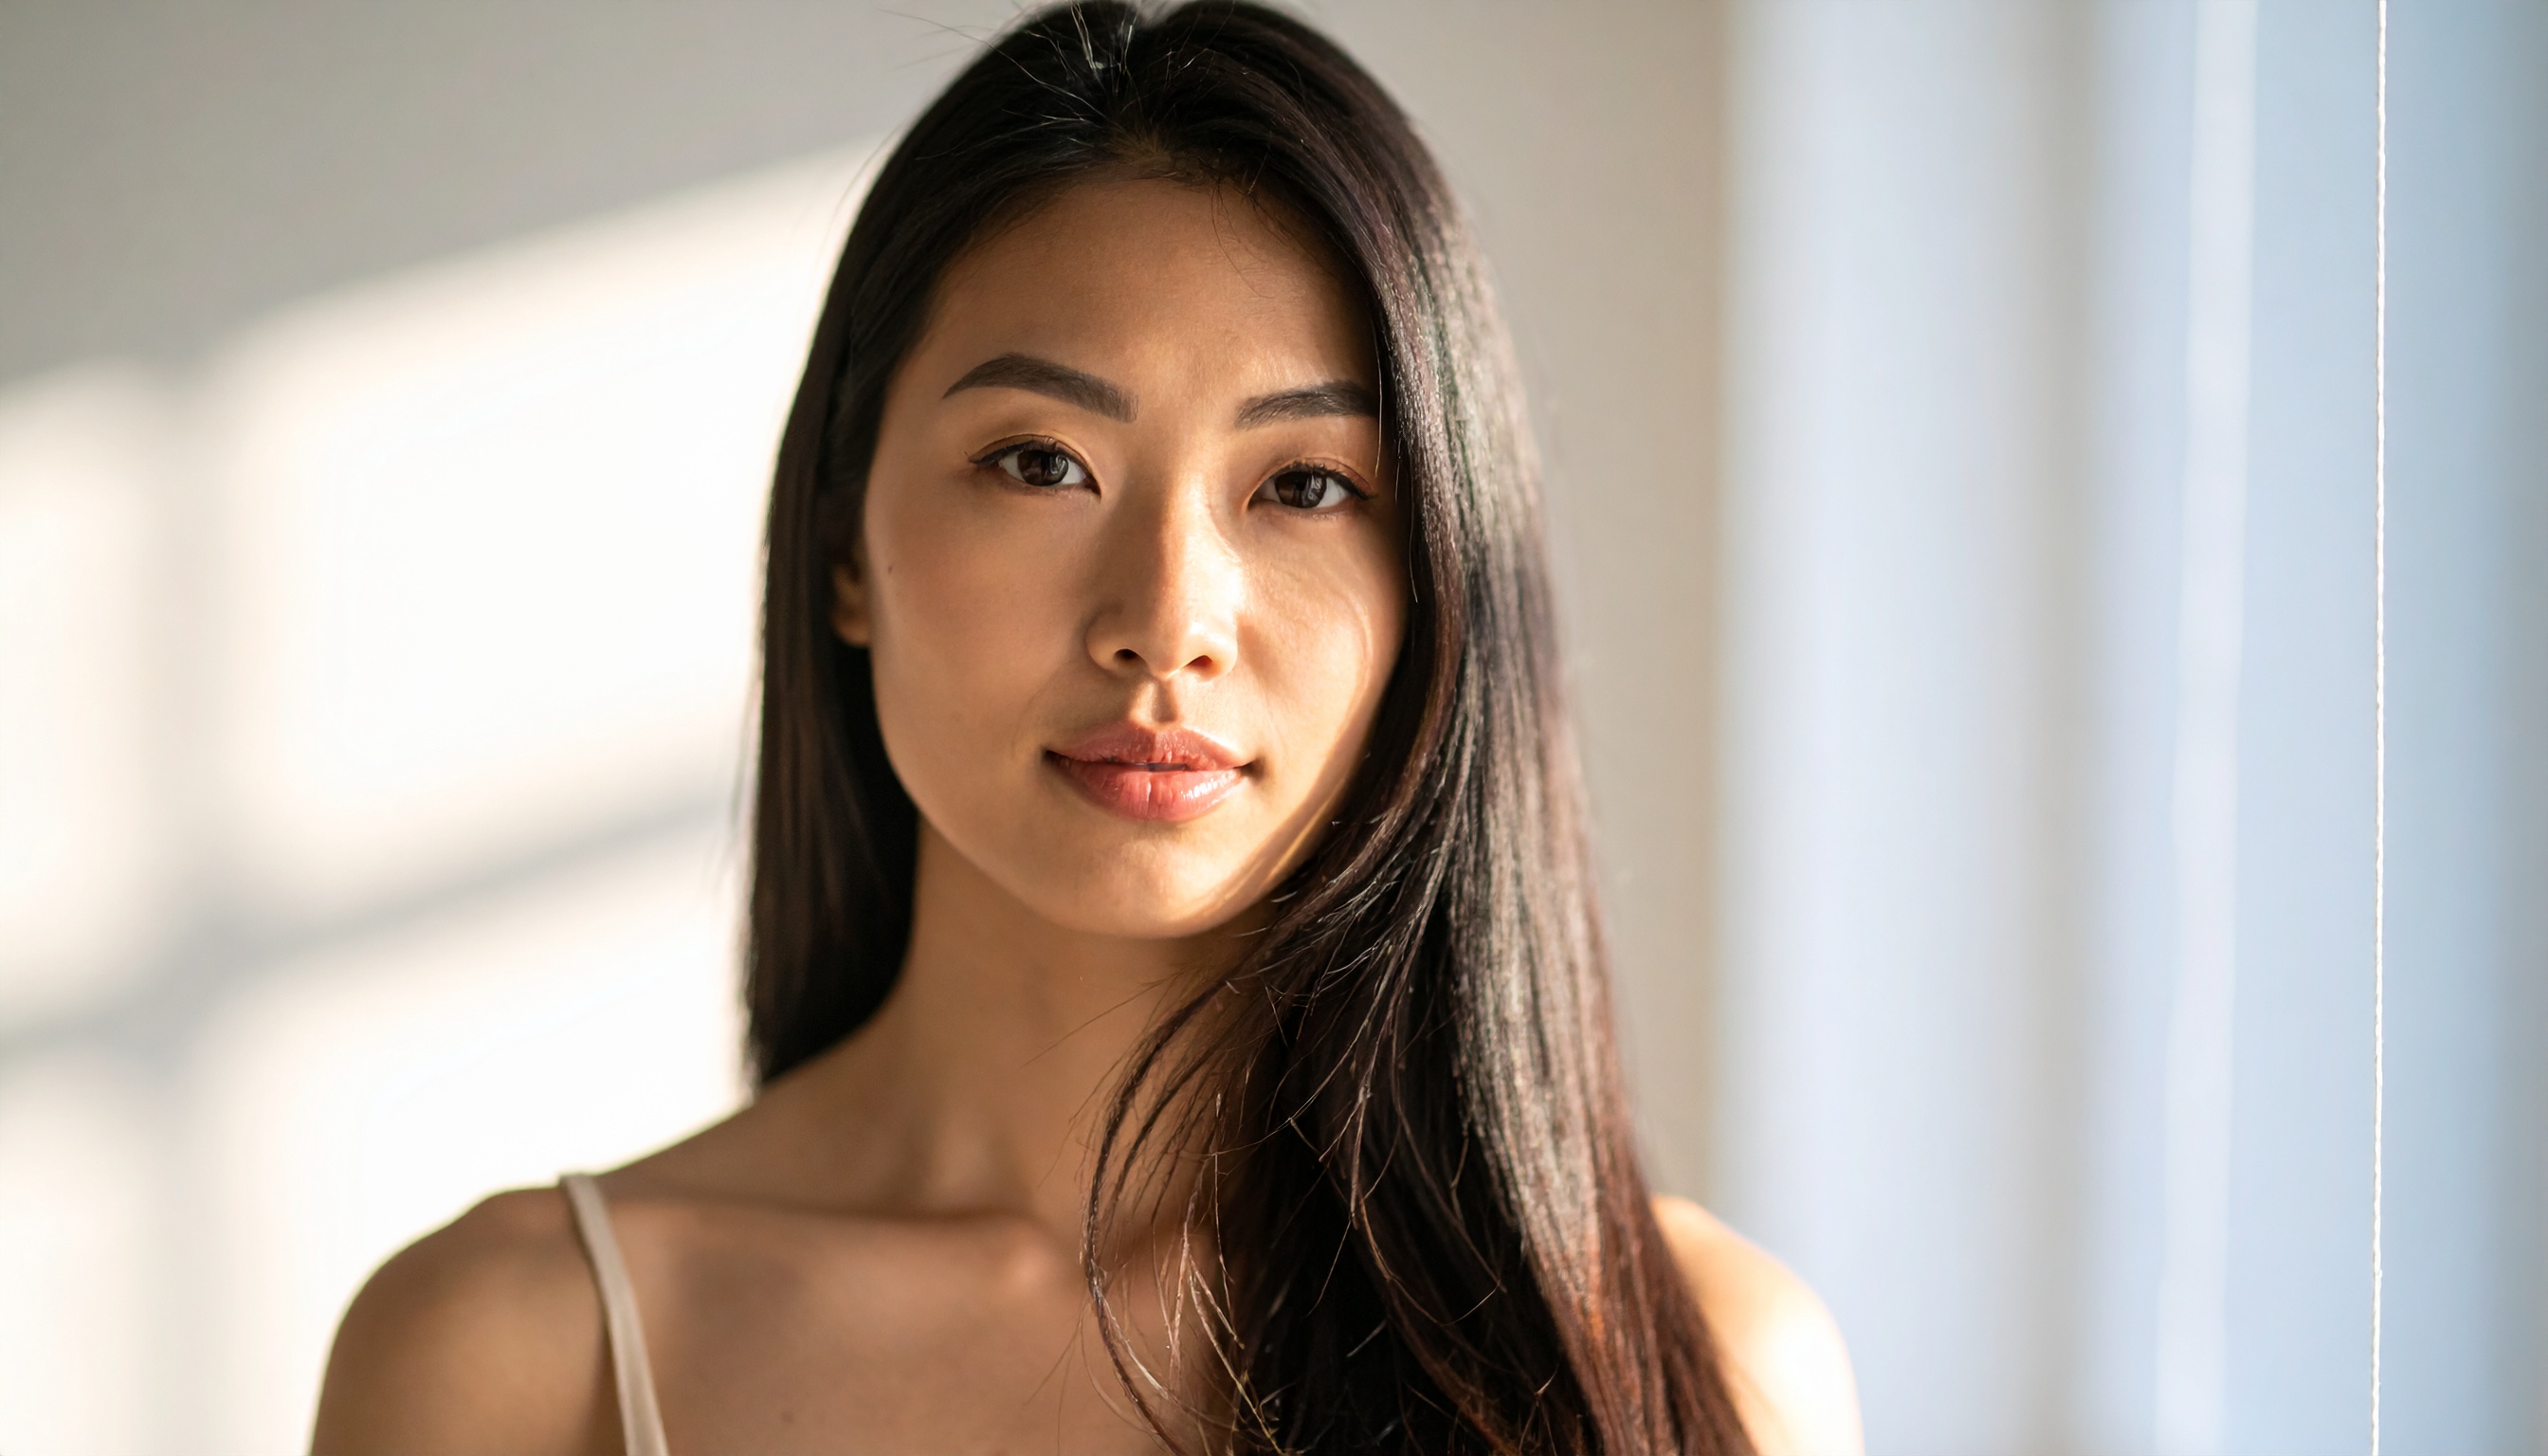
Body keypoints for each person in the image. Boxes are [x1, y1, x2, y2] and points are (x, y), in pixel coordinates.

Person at [310, 4, 1860, 1452]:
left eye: (1307, 486)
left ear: (1436, 587)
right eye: (1042, 463)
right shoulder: (518, 1356)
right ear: (846, 548)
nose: (1165, 616)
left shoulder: (1688, 1361)